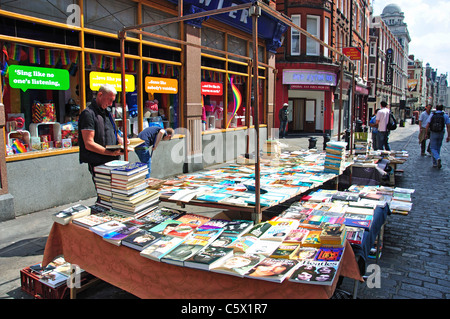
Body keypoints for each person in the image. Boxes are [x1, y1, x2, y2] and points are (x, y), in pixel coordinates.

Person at [78, 84, 124, 181]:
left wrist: (121, 140)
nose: (111, 104)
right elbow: (89, 143)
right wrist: (110, 153)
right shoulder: (88, 113)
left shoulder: (107, 112)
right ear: (100, 95)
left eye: (112, 101)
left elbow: (114, 131)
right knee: (105, 193)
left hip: (113, 160)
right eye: (109, 100)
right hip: (99, 162)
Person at [424, 105, 450, 169]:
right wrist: (448, 136)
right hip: (441, 132)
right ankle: (435, 162)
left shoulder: (432, 115)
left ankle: (436, 159)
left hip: (433, 132)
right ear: (442, 109)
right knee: (438, 147)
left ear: (436, 109)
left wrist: (426, 133)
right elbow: (448, 126)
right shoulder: (445, 115)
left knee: (432, 147)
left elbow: (427, 125)